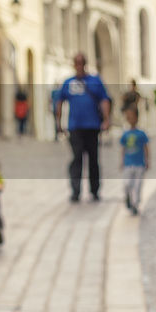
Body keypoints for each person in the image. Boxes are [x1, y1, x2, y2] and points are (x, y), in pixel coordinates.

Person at [53, 52, 111, 202]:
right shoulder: (69, 82)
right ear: (74, 64)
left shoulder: (95, 81)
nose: (79, 65)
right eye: (76, 62)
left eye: (81, 62)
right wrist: (58, 123)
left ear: (85, 64)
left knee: (93, 159)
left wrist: (106, 119)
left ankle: (94, 190)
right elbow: (60, 102)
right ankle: (76, 190)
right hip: (75, 127)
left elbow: (104, 100)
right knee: (77, 158)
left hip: (92, 126)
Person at [119, 107, 150, 215]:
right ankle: (128, 197)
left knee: (137, 185)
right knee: (127, 183)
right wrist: (121, 161)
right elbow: (122, 148)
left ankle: (135, 204)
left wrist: (147, 160)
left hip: (139, 164)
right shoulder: (125, 134)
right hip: (128, 164)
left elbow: (146, 147)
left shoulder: (141, 133)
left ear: (137, 118)